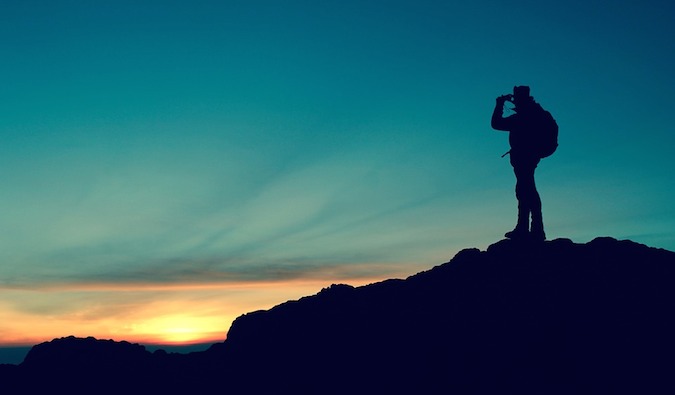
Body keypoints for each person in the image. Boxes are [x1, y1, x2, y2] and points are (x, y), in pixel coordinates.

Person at [491, 85, 547, 241]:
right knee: (525, 189)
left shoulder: (524, 116)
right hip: (529, 156)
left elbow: (496, 124)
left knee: (525, 190)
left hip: (524, 156)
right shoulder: (535, 113)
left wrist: (499, 104)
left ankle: (531, 230)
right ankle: (530, 228)